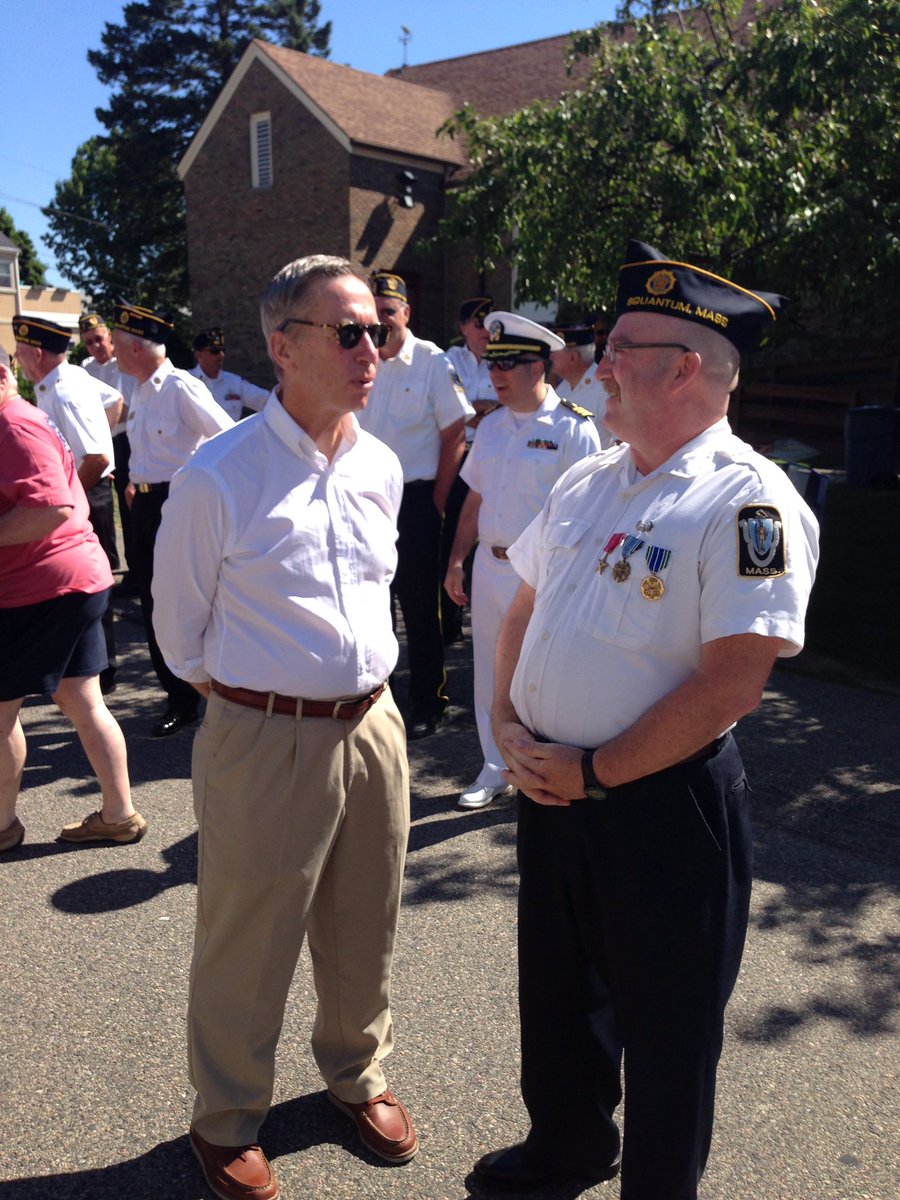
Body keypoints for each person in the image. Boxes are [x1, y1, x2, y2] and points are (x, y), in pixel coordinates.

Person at [474, 240, 820, 1200]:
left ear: (685, 370)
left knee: (670, 1026)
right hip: (553, 782)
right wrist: (506, 723)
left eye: (621, 347)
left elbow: (731, 685)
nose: (596, 363)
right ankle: (568, 1147)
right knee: (557, 990)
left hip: (661, 801)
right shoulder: (591, 477)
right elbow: (524, 606)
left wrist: (595, 772)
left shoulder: (748, 501)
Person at [153, 255, 417, 1200]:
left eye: (376, 331)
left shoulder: (380, 465)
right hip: (264, 732)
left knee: (365, 920)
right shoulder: (219, 475)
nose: (371, 349)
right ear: (283, 347)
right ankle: (226, 1117)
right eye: (348, 332)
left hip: (374, 724)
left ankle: (356, 1073)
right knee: (249, 935)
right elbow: (179, 632)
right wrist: (262, 699)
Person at [444, 312, 600, 810]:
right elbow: (475, 498)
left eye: (506, 364)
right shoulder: (490, 426)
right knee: (490, 672)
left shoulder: (574, 429)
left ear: (538, 367)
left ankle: (544, 768)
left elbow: (589, 512)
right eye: (492, 363)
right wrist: (456, 559)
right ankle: (495, 767)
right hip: (489, 567)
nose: (494, 374)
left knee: (541, 674)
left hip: (543, 575)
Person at [0, 345, 145, 852]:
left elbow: (52, 508)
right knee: (82, 700)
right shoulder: (21, 417)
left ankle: (2, 827)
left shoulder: (14, 425)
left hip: (42, 587)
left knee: (2, 712)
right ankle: (118, 815)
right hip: (68, 581)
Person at [356, 270, 473, 738]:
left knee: (421, 609)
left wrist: (436, 504)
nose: (381, 320)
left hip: (416, 499)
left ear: (406, 312)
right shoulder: (359, 358)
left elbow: (455, 435)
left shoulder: (431, 361)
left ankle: (428, 701)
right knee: (369, 604)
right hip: (364, 500)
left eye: (389, 310)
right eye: (374, 312)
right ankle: (375, 696)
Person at [113, 300, 233, 737]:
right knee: (154, 602)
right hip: (144, 505)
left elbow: (227, 438)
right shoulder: (140, 390)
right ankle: (179, 698)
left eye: (118, 344)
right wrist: (134, 483)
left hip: (177, 502)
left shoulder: (180, 387)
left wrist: (194, 489)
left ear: (137, 348)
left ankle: (218, 695)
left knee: (191, 600)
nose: (113, 352)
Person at [14, 316, 123, 694]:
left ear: (37, 353)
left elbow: (95, 456)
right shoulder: (69, 377)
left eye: (20, 352)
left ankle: (101, 670)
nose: (17, 360)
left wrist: (71, 489)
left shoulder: (64, 391)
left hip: (83, 490)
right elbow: (113, 402)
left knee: (90, 582)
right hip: (81, 488)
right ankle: (86, 668)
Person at [79, 312, 135, 578]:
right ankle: (108, 564)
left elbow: (129, 410)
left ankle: (136, 568)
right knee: (100, 508)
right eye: (89, 342)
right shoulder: (85, 369)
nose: (95, 346)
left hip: (125, 441)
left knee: (129, 505)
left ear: (110, 336)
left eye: (99, 338)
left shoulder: (125, 364)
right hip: (98, 444)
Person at [551, 321, 616, 448]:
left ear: (573, 357)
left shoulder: (605, 389)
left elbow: (622, 442)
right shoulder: (562, 389)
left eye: (556, 352)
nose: (551, 356)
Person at [190, 326, 270, 421]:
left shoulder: (235, 383)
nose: (221, 355)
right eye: (214, 351)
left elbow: (269, 402)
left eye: (223, 351)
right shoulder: (186, 382)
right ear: (198, 354)